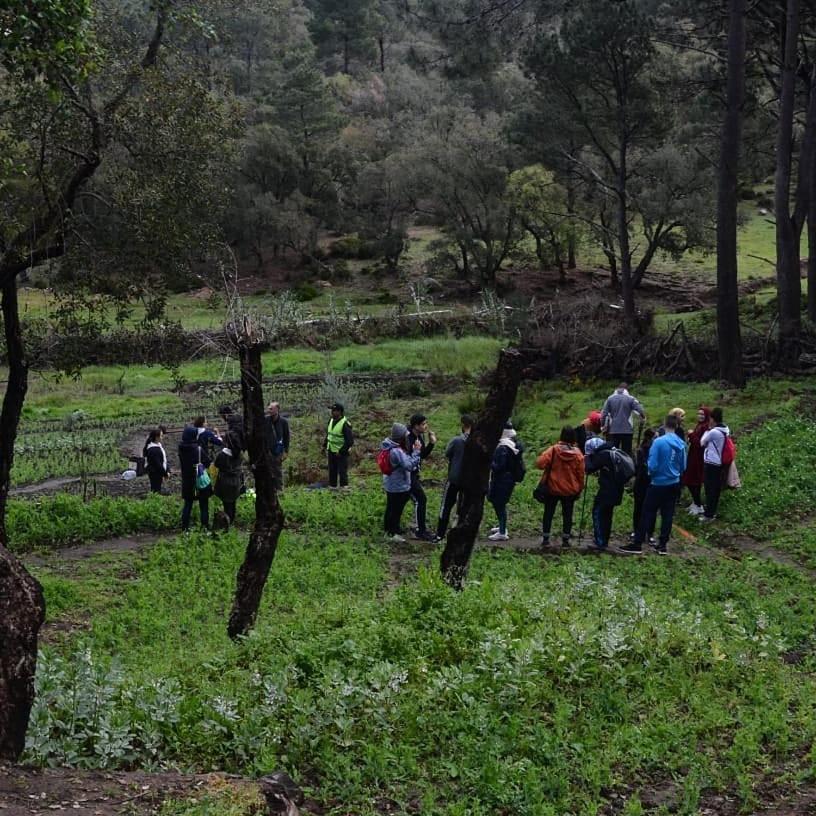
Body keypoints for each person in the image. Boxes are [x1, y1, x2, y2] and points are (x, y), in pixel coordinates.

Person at [620, 414, 686, 555]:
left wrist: (651, 472)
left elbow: (653, 464)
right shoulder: (681, 444)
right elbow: (683, 466)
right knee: (667, 514)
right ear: (677, 426)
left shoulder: (659, 442)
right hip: (674, 482)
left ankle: (637, 543)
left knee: (647, 512)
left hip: (658, 483)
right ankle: (662, 545)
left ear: (664, 424)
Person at [535, 426, 585, 547]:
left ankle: (546, 539)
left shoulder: (553, 450)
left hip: (552, 488)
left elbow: (540, 464)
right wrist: (579, 488)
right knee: (567, 515)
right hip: (570, 490)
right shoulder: (578, 454)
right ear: (574, 437)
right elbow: (581, 474)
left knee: (548, 513)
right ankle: (566, 540)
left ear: (561, 436)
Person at [380, 423, 422, 543]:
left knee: (391, 507)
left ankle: (393, 529)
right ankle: (391, 533)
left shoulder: (388, 446)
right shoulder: (396, 451)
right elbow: (408, 465)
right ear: (401, 437)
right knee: (395, 509)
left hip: (391, 483)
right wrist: (416, 452)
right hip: (398, 485)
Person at [584, 436, 625, 551]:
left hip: (607, 490)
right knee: (607, 515)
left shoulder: (603, 455)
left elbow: (589, 468)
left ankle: (600, 542)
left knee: (598, 512)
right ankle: (604, 539)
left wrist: (587, 457)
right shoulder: (614, 451)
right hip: (617, 489)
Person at [436, 414, 474, 541]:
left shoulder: (457, 441)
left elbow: (447, 453)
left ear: (463, 425)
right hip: (469, 480)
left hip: (454, 478)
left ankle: (440, 534)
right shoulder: (477, 442)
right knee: (464, 507)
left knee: (446, 506)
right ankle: (461, 534)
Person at [487, 423, 525, 541]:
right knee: (500, 504)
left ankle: (502, 531)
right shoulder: (512, 444)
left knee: (499, 504)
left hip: (502, 480)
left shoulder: (503, 447)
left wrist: (490, 462)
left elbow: (499, 466)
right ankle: (502, 527)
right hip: (508, 479)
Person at [406, 413, 437, 541]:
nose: (426, 426)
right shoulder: (408, 438)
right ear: (415, 426)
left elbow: (422, 455)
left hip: (414, 473)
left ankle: (418, 528)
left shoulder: (419, 437)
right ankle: (420, 530)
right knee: (420, 499)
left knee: (403, 501)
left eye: (426, 423)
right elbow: (408, 458)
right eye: (423, 424)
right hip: (407, 475)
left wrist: (431, 444)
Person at [178, 426, 211, 531]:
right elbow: (208, 461)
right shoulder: (198, 449)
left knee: (188, 505)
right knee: (204, 505)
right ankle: (204, 527)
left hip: (187, 480)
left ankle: (185, 528)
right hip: (199, 479)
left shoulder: (181, 448)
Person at [700, 407, 730, 522]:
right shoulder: (726, 429)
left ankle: (709, 515)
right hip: (720, 463)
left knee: (710, 489)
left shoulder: (713, 432)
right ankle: (712, 512)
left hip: (711, 463)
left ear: (712, 419)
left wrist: (708, 430)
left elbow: (702, 442)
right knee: (715, 489)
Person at [600, 383, 645, 455]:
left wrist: (602, 426)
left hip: (613, 430)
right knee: (626, 453)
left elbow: (604, 414)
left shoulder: (609, 399)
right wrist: (643, 418)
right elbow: (640, 410)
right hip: (627, 431)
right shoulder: (631, 399)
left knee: (614, 453)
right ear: (626, 389)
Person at [683, 406, 711, 516]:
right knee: (690, 480)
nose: (700, 416)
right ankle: (695, 502)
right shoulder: (700, 425)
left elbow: (700, 443)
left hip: (698, 458)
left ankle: (699, 505)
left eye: (702, 414)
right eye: (698, 414)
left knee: (693, 481)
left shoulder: (705, 427)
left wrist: (691, 434)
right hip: (693, 455)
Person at [631, 427, 656, 545]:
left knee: (642, 508)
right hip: (645, 482)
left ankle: (643, 532)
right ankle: (645, 532)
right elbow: (639, 467)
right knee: (644, 509)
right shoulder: (642, 451)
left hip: (644, 483)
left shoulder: (643, 450)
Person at [213, 433, 243, 524]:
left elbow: (216, 464)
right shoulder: (239, 454)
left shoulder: (222, 455)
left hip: (224, 482)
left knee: (227, 504)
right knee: (233, 503)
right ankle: (231, 520)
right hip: (236, 481)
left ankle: (226, 522)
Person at [325, 402, 353, 488]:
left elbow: (350, 441)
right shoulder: (331, 420)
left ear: (340, 412)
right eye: (332, 410)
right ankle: (332, 488)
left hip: (341, 453)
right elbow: (329, 434)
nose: (332, 412)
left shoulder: (345, 424)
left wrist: (341, 451)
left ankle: (344, 490)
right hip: (331, 450)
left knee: (342, 472)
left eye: (334, 411)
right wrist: (324, 445)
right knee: (332, 471)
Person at [264, 401, 290, 490]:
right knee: (267, 473)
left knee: (278, 472)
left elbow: (286, 437)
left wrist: (286, 451)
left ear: (277, 409)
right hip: (267, 451)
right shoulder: (265, 421)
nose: (269, 410)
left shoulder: (283, 422)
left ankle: (279, 491)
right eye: (269, 408)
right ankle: (269, 490)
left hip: (277, 451)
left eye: (271, 409)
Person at [144, 428, 169, 494]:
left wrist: (167, 470)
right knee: (156, 490)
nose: (162, 437)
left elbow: (163, 460)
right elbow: (158, 464)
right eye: (161, 436)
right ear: (156, 437)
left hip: (156, 472)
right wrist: (165, 473)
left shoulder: (157, 446)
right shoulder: (153, 450)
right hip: (155, 473)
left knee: (156, 489)